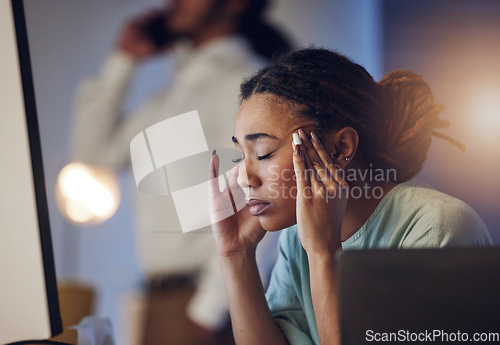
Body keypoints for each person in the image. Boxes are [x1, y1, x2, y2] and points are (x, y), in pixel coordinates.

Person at [209, 48, 493, 345]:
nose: (244, 178)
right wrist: (236, 255)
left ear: (341, 147)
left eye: (263, 153)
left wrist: (324, 253)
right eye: (240, 157)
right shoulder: (297, 240)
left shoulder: (438, 228)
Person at [71, 0, 291, 344]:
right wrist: (124, 59)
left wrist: (209, 310)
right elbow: (95, 154)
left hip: (203, 306)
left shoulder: (245, 83)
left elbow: (266, 196)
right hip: (159, 300)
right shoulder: (168, 97)